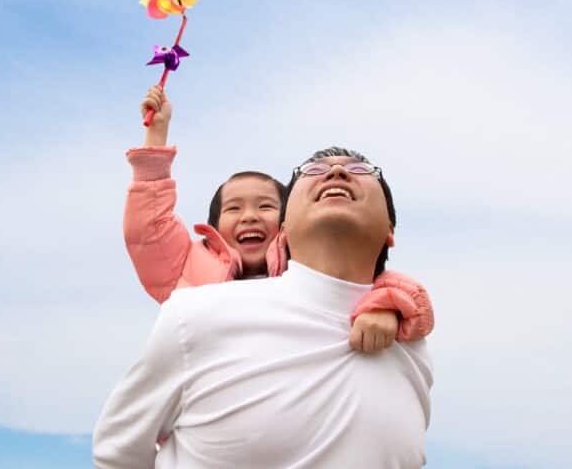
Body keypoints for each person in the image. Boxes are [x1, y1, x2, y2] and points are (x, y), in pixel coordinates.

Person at [94, 147, 434, 468]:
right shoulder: (194, 311)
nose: (336, 172)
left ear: (390, 229)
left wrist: (391, 304)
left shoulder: (410, 344)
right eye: (312, 171)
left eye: (361, 170)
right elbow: (118, 454)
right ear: (285, 231)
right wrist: (153, 148)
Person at [125, 86, 432, 350]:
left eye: (265, 207)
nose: (249, 216)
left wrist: (383, 308)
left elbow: (387, 285)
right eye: (233, 208)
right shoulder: (186, 269)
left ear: (287, 223)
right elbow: (149, 228)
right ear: (213, 229)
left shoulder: (302, 266)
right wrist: (156, 134)